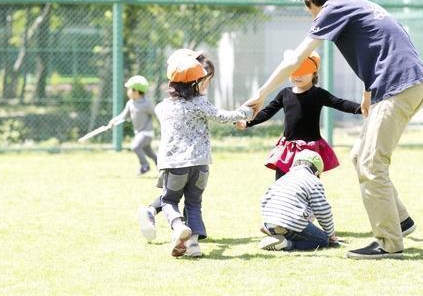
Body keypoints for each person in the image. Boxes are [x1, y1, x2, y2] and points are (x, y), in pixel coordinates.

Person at [245, 0, 423, 259]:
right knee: (361, 157)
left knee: (371, 166)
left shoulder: (331, 10)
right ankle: (401, 221)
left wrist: (261, 94)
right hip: (407, 84)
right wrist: (369, 93)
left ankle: (389, 243)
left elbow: (296, 58)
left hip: (397, 87)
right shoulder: (354, 3)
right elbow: (381, 46)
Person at [149, 49, 252, 258]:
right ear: (197, 83)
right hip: (201, 164)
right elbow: (223, 116)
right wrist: (246, 112)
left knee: (169, 201)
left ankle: (178, 227)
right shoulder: (200, 103)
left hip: (174, 165)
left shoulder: (162, 107)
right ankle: (193, 245)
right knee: (194, 203)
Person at [236, 50, 360, 180]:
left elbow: (340, 103)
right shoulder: (285, 94)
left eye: (303, 71)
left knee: (309, 187)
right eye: (294, 71)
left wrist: (362, 108)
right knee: (281, 186)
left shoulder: (318, 94)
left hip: (310, 152)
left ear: (314, 73)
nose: (298, 76)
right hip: (287, 150)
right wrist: (247, 122)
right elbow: (267, 111)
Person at [258, 150, 339, 251]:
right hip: (290, 220)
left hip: (269, 219)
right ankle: (286, 243)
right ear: (317, 172)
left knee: (293, 223)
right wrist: (331, 235)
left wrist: (268, 220)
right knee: (322, 240)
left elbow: (264, 199)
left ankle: (274, 230)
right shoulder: (313, 181)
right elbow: (323, 211)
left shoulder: (283, 179)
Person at [107, 75, 157, 175]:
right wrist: (113, 121)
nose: (128, 92)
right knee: (148, 152)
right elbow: (123, 116)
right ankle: (162, 165)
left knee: (135, 146)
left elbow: (156, 114)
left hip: (146, 133)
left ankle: (145, 165)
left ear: (136, 91)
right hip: (139, 133)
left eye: (129, 89)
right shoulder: (130, 103)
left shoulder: (147, 104)